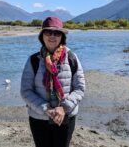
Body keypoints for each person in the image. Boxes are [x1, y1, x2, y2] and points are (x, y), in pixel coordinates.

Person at [20, 17, 85, 147]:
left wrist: (63, 107)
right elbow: (26, 91)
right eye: (48, 32)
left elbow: (80, 88)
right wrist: (46, 109)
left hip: (65, 117)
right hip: (39, 118)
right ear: (42, 35)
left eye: (56, 33)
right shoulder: (34, 60)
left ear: (62, 36)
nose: (52, 36)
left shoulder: (72, 57)